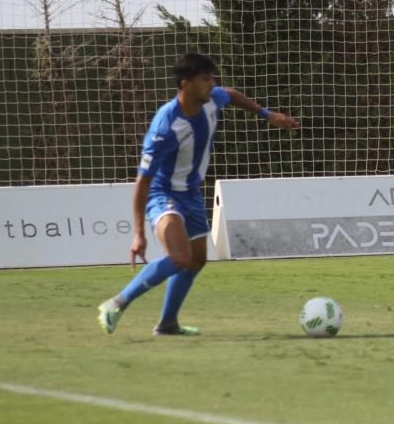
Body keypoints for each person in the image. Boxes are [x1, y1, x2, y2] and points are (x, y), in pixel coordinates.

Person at [97, 53, 300, 336]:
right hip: (162, 194)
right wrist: (138, 233)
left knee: (196, 259)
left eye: (212, 78)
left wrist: (267, 115)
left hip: (191, 194)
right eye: (205, 79)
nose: (212, 84)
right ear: (185, 84)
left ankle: (168, 323)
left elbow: (230, 94)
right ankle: (116, 304)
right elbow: (142, 182)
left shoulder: (212, 99)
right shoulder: (166, 127)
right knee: (179, 257)